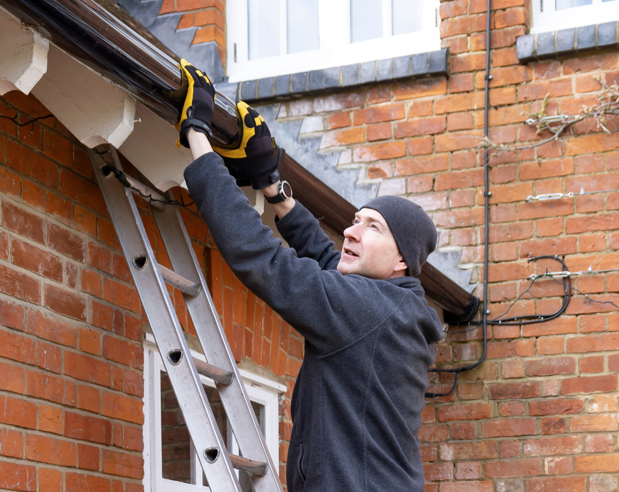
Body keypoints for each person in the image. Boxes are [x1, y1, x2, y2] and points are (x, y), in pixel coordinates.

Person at [176, 60, 443, 492]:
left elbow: (264, 260)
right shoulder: (391, 307)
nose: (352, 232)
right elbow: (326, 258)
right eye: (356, 220)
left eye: (372, 227)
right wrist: (273, 188)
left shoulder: (369, 309)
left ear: (401, 262)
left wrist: (197, 137)